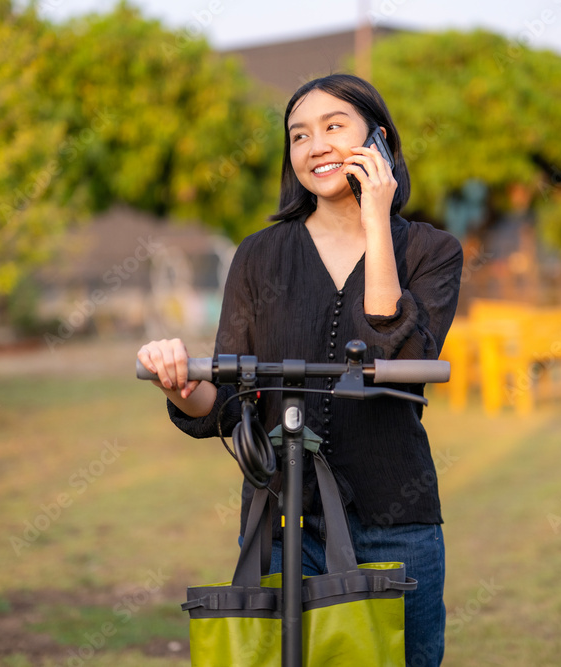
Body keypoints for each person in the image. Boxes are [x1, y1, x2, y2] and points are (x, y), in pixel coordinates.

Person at [137, 73, 463, 666]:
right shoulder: (259, 256)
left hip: (398, 524)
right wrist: (181, 384)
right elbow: (232, 406)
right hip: (284, 525)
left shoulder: (430, 252)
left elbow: (401, 357)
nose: (316, 146)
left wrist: (375, 222)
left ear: (379, 141)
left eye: (334, 127)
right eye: (299, 135)